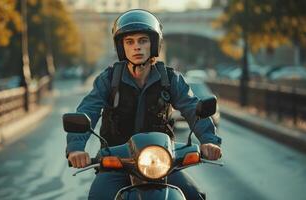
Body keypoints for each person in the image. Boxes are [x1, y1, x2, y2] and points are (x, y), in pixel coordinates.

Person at [66, 9, 222, 200]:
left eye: (143, 40)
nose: (136, 47)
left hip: (160, 162)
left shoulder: (170, 78)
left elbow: (192, 107)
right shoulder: (109, 79)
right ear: (122, 47)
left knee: (195, 195)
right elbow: (88, 110)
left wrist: (209, 141)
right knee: (98, 196)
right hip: (117, 163)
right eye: (129, 42)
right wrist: (76, 148)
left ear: (153, 44)